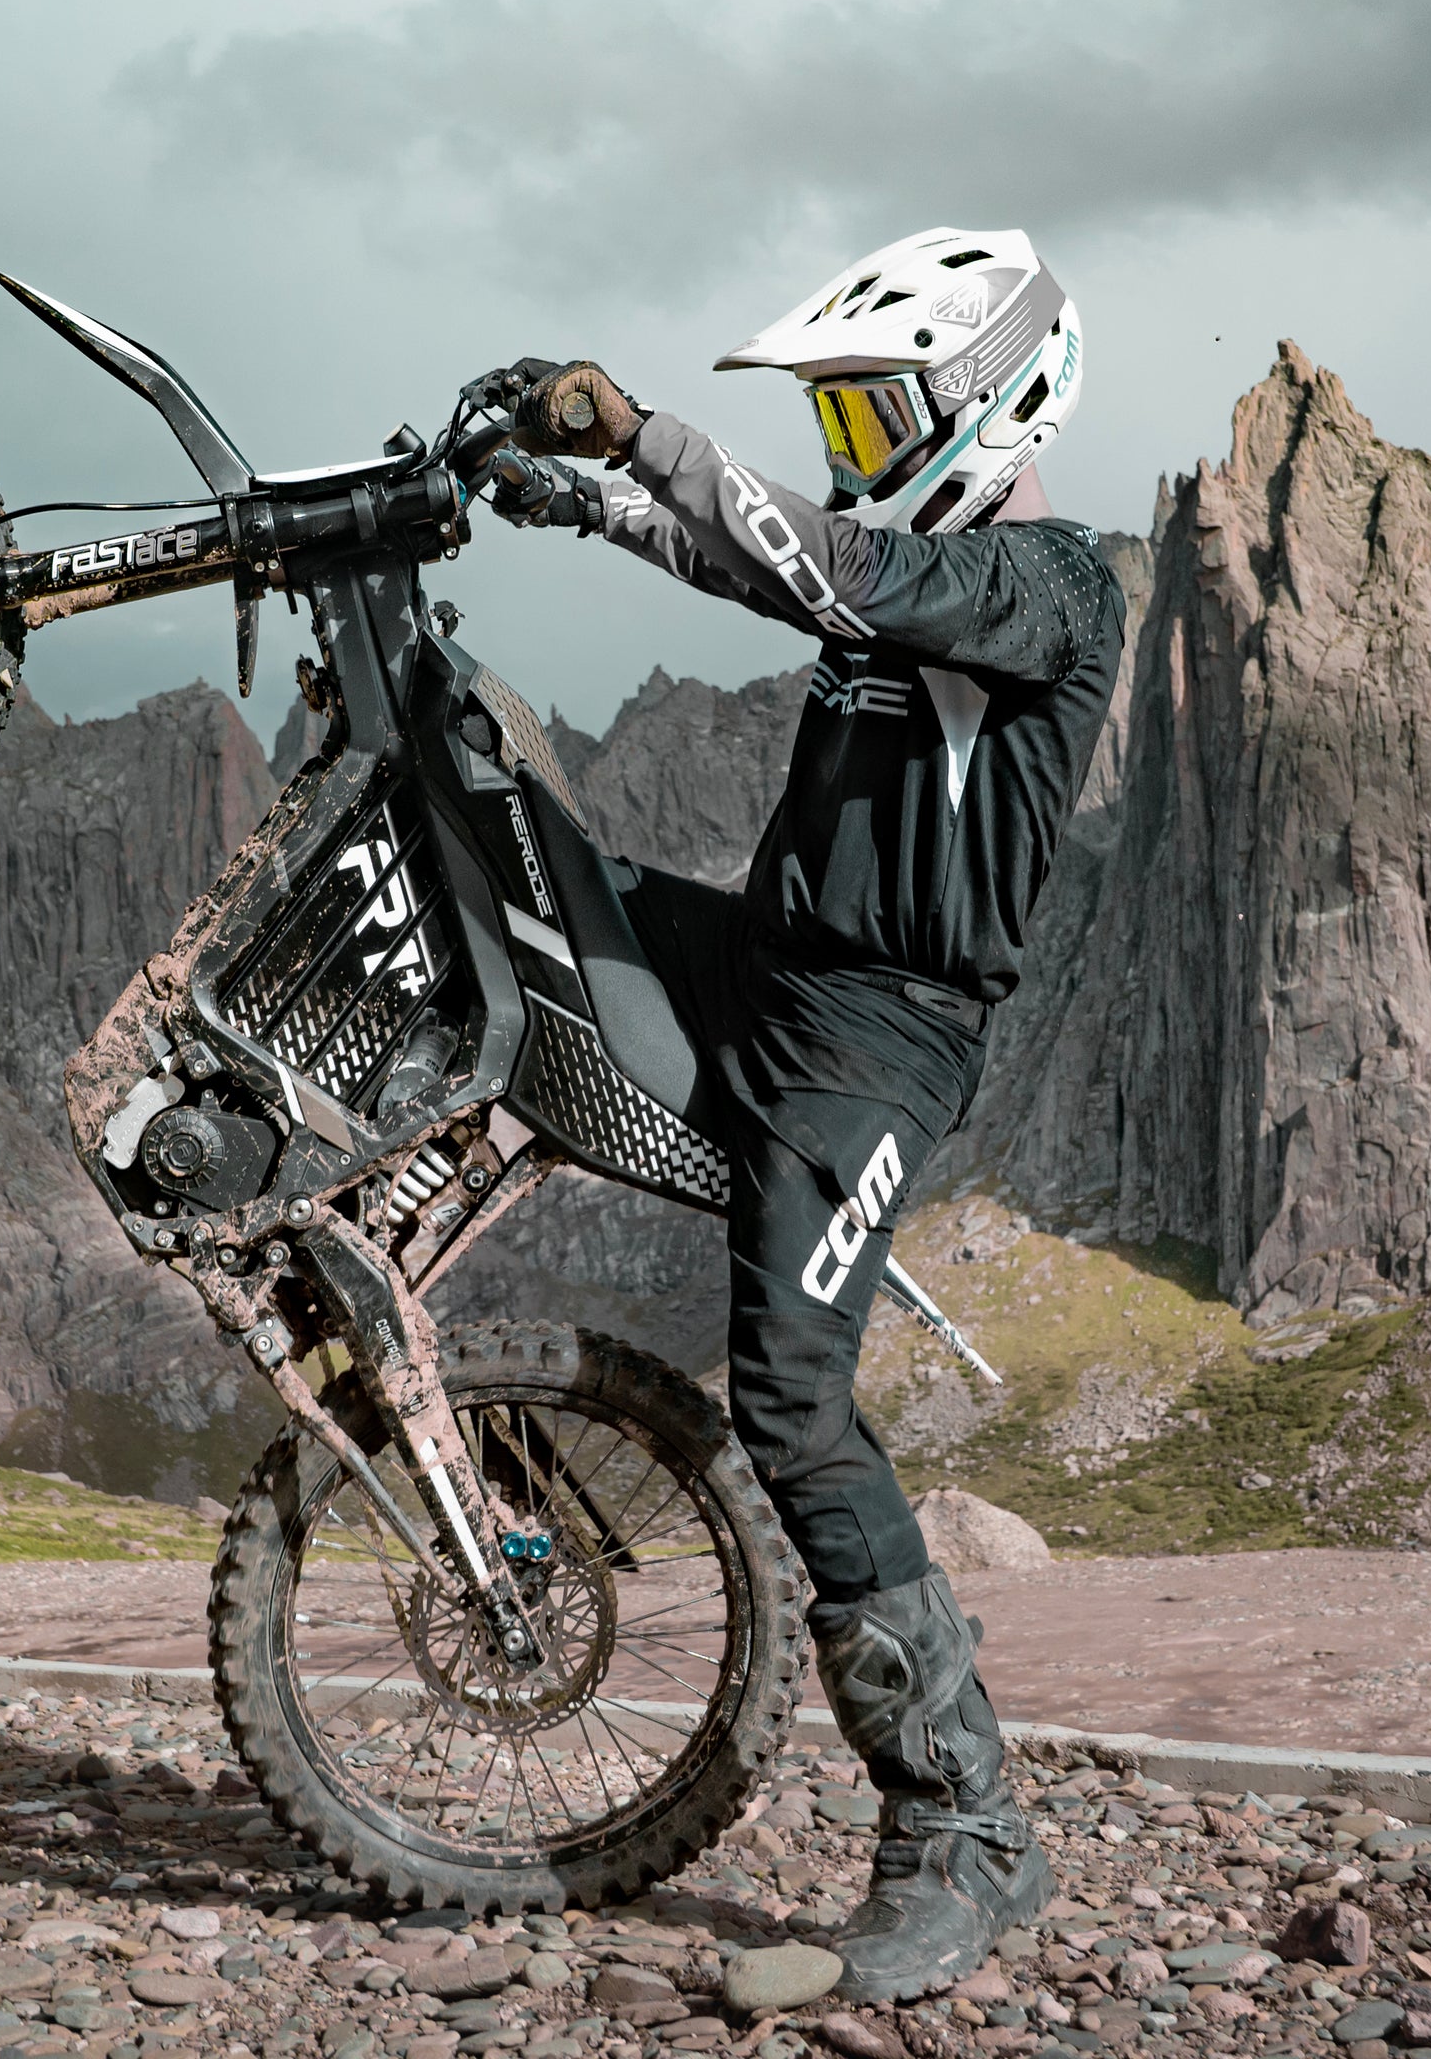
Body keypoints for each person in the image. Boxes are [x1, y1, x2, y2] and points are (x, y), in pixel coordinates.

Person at [473, 227, 1122, 2001]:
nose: (852, 455)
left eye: (871, 419)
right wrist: (581, 502)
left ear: (990, 400)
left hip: (879, 1046)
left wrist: (638, 438)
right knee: (528, 887)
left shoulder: (1054, 588)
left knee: (793, 1401)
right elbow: (772, 570)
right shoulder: (900, 581)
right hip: (767, 964)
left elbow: (829, 571)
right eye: (836, 425)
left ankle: (965, 1827)